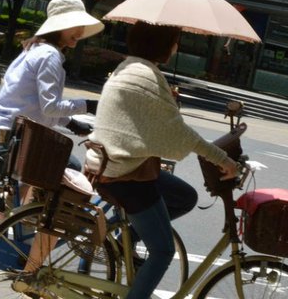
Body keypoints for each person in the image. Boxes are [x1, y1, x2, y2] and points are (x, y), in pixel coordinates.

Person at [86, 21, 238, 299]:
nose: (176, 46)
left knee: (184, 196)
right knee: (164, 250)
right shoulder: (147, 76)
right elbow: (178, 134)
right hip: (126, 173)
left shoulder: (131, 67)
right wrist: (222, 159)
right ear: (162, 45)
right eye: (174, 40)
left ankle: (129, 237)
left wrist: (164, 99)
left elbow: (150, 122)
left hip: (112, 163)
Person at [0, 0, 104, 275]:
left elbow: (37, 106)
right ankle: (31, 263)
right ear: (58, 27)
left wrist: (72, 123)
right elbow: (50, 106)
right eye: (73, 26)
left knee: (53, 184)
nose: (79, 33)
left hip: (7, 133)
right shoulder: (50, 55)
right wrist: (89, 105)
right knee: (69, 189)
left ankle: (21, 241)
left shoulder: (34, 48)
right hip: (18, 139)